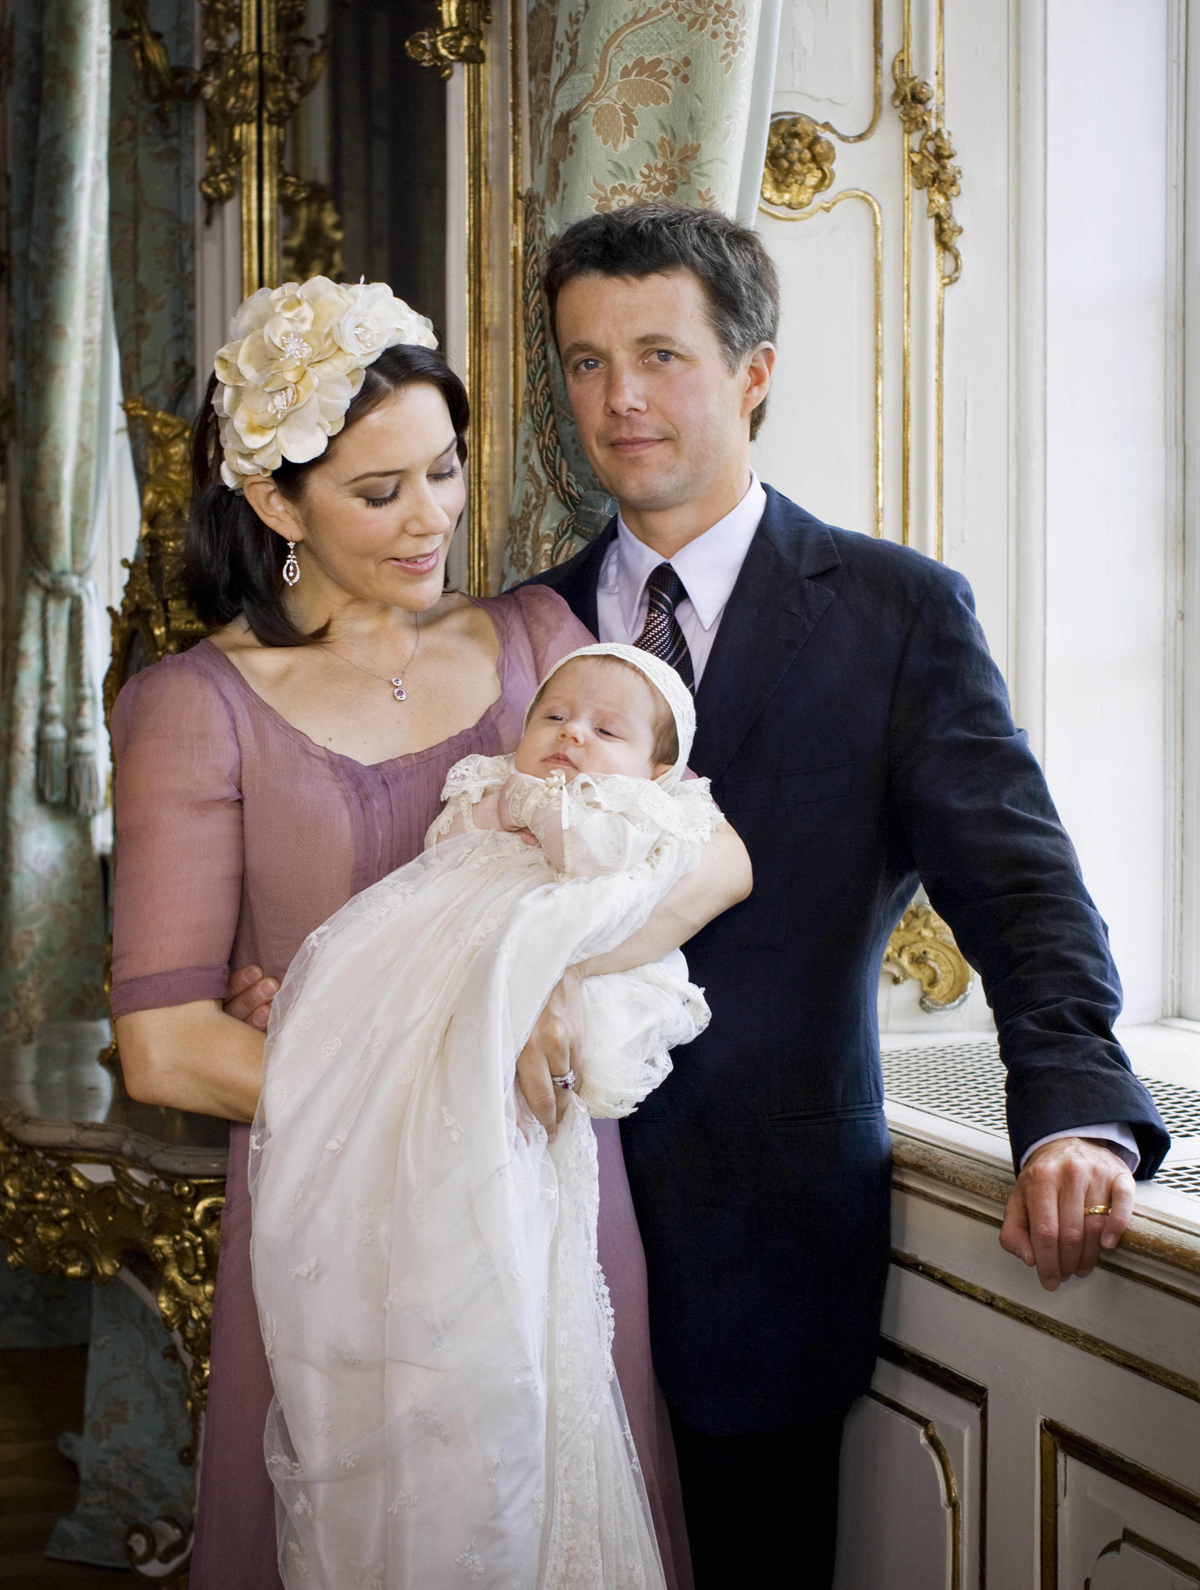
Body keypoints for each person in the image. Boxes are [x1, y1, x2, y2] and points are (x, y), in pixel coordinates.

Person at [523, 203, 1171, 1588]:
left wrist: (1077, 1113)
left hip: (760, 1248)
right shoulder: (523, 624)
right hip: (522, 1226)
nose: (620, 397)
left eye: (659, 353)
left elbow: (1024, 888)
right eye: (584, 362)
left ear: (755, 372)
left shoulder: (897, 614)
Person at [109, 275, 750, 1590]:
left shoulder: (540, 642)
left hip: (549, 1198)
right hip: (341, 1213)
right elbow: (165, 1050)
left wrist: (554, 982)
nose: (431, 519)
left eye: (445, 471)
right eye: (377, 489)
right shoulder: (193, 706)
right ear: (278, 505)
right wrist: (442, 1061)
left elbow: (715, 853)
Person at [251, 644, 722, 1588]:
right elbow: (436, 878)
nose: (571, 738)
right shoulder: (493, 788)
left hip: (546, 975)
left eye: (606, 729)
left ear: (659, 769)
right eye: (554, 717)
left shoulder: (634, 813)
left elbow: (599, 865)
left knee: (494, 1277)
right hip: (445, 975)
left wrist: (543, 808)